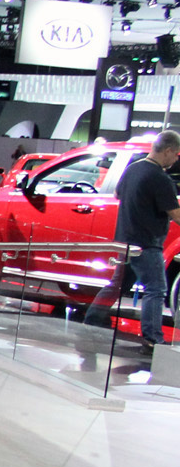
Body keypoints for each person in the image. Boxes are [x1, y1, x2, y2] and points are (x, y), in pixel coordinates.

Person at [82, 131, 180, 350]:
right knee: (156, 289)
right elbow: (176, 214)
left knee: (117, 284)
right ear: (167, 151)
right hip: (146, 243)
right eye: (176, 154)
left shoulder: (133, 169)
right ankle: (153, 338)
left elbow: (118, 194)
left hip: (125, 239)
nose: (176, 160)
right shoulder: (160, 178)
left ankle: (92, 320)